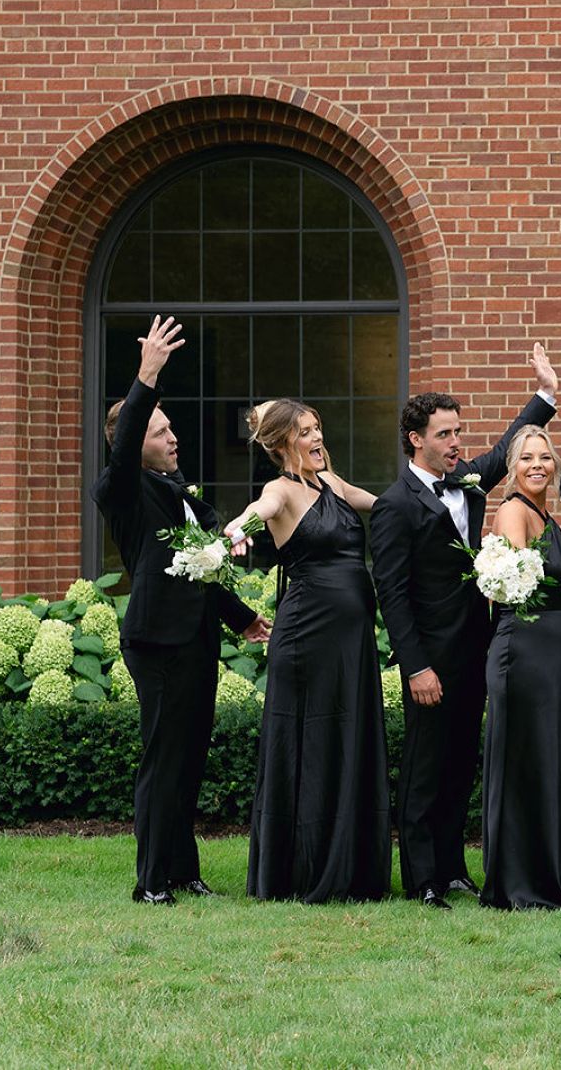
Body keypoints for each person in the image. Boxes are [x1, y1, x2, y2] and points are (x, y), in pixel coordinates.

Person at [368, 348, 559, 909]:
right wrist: (416, 666)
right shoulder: (394, 506)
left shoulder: (467, 484)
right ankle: (423, 878)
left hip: (475, 648)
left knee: (458, 764)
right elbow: (393, 595)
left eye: (458, 432)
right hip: (431, 656)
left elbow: (505, 453)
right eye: (445, 434)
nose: (456, 443)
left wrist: (544, 396)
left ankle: (451, 868)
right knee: (426, 768)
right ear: (415, 439)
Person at [92, 315, 267, 905]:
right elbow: (126, 446)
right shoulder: (123, 489)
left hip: (195, 639)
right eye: (159, 431)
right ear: (132, 441)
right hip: (156, 642)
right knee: (163, 759)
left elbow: (203, 571)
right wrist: (147, 377)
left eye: (171, 430)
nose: (172, 438)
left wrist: (242, 618)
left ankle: (183, 871)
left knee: (189, 758)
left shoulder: (181, 491)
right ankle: (149, 882)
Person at [227, 399, 390, 903]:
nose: (317, 438)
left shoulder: (334, 485)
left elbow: (383, 506)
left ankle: (350, 864)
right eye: (304, 432)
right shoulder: (280, 489)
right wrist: (239, 530)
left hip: (351, 640)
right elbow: (259, 513)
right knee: (312, 740)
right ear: (281, 444)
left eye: (318, 428)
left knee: (347, 733)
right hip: (308, 636)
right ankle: (301, 869)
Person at [479, 424, 561, 911]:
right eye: (527, 458)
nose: (538, 465)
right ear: (512, 468)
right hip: (523, 653)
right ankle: (522, 880)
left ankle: (555, 870)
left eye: (545, 457)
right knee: (527, 761)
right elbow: (517, 576)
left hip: (554, 658)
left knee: (553, 759)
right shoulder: (513, 512)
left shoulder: (548, 517)